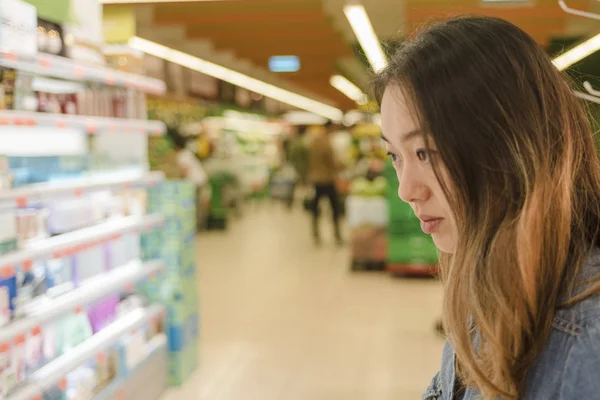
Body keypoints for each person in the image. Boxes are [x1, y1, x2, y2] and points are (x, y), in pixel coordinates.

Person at [375, 16, 600, 400]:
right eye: (395, 155)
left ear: (510, 147)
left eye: (425, 152)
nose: (406, 190)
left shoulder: (585, 344)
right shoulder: (495, 282)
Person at [308, 120, 342, 245]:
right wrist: (341, 166)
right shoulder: (326, 143)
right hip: (327, 179)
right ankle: (337, 234)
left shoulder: (314, 141)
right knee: (334, 208)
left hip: (316, 179)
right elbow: (333, 162)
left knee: (316, 207)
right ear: (330, 128)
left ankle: (315, 233)